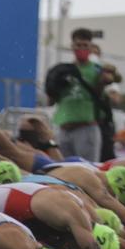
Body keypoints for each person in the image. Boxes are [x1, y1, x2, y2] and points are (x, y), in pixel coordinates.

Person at [47, 29, 108, 163]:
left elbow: (99, 97)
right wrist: (54, 84)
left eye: (85, 45)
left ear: (91, 47)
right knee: (63, 169)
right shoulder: (62, 70)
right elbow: (50, 100)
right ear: (72, 46)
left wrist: (102, 82)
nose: (81, 49)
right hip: (64, 127)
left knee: (87, 169)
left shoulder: (96, 69)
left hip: (86, 127)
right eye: (78, 45)